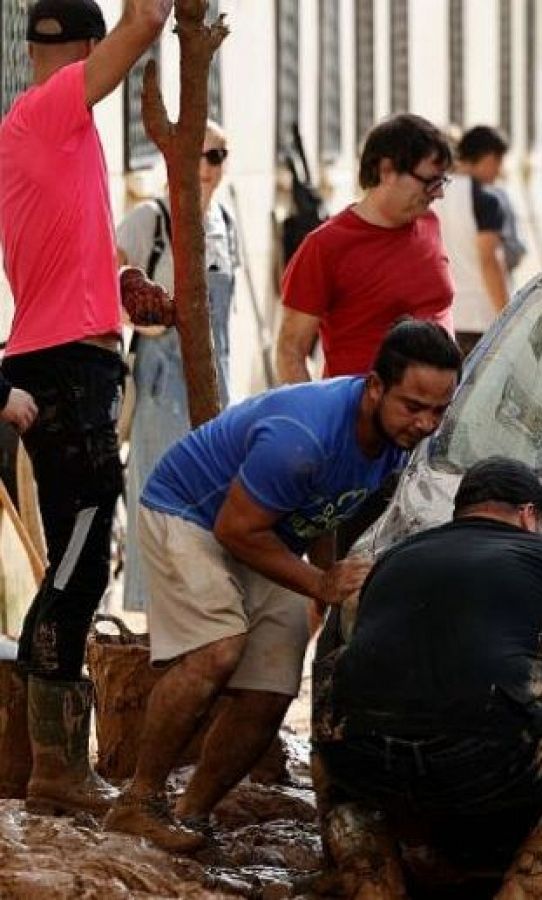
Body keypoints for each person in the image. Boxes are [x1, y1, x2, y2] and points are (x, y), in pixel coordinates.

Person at [103, 320, 461, 852]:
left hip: (265, 530)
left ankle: (190, 813)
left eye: (438, 410)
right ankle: (139, 801)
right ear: (374, 387)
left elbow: (326, 508)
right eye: (414, 406)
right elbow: (234, 528)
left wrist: (330, 575)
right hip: (190, 513)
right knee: (218, 651)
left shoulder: (392, 437)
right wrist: (321, 583)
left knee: (272, 689)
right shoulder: (303, 437)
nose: (426, 423)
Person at [314, 456, 542, 898]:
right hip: (484, 753)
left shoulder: (395, 557)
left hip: (362, 754)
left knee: (334, 731)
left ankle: (373, 882)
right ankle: (528, 887)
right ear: (530, 515)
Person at [0, 0, 172, 817]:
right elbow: (144, 25)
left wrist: (123, 285)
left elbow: (73, 244)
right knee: (77, 558)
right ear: (83, 52)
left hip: (77, 358)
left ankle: (54, 754)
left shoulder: (53, 131)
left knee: (83, 552)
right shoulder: (49, 107)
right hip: (63, 368)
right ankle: (53, 762)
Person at [116, 120, 240, 613]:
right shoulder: (150, 219)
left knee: (212, 497)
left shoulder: (226, 224)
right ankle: (154, 623)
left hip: (217, 383)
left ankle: (204, 613)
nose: (207, 168)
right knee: (159, 495)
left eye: (218, 156)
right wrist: (144, 318)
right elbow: (109, 282)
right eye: (198, 155)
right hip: (161, 387)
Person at [276, 114, 455, 383]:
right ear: (387, 171)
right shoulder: (325, 246)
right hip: (363, 417)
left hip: (440, 415)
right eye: (430, 181)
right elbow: (290, 352)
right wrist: (318, 421)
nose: (438, 194)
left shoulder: (430, 223)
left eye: (442, 182)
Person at [440, 124, 513, 357]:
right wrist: (508, 315)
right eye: (499, 162)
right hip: (480, 319)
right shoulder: (486, 200)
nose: (498, 172)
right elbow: (489, 260)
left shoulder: (433, 193)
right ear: (489, 157)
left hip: (443, 317)